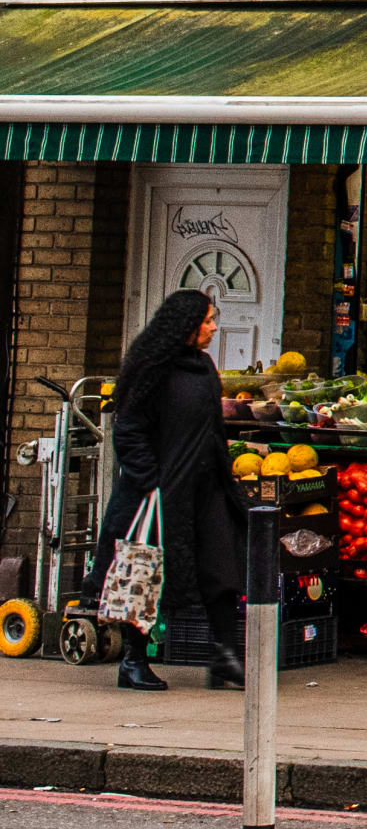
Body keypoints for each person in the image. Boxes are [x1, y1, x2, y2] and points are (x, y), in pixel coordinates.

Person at [92, 289, 242, 693]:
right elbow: (128, 431)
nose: (214, 326)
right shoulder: (150, 369)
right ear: (186, 326)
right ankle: (133, 660)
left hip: (205, 488)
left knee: (221, 568)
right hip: (157, 494)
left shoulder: (205, 367)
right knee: (144, 577)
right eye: (208, 320)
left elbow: (211, 427)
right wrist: (150, 481)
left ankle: (226, 657)